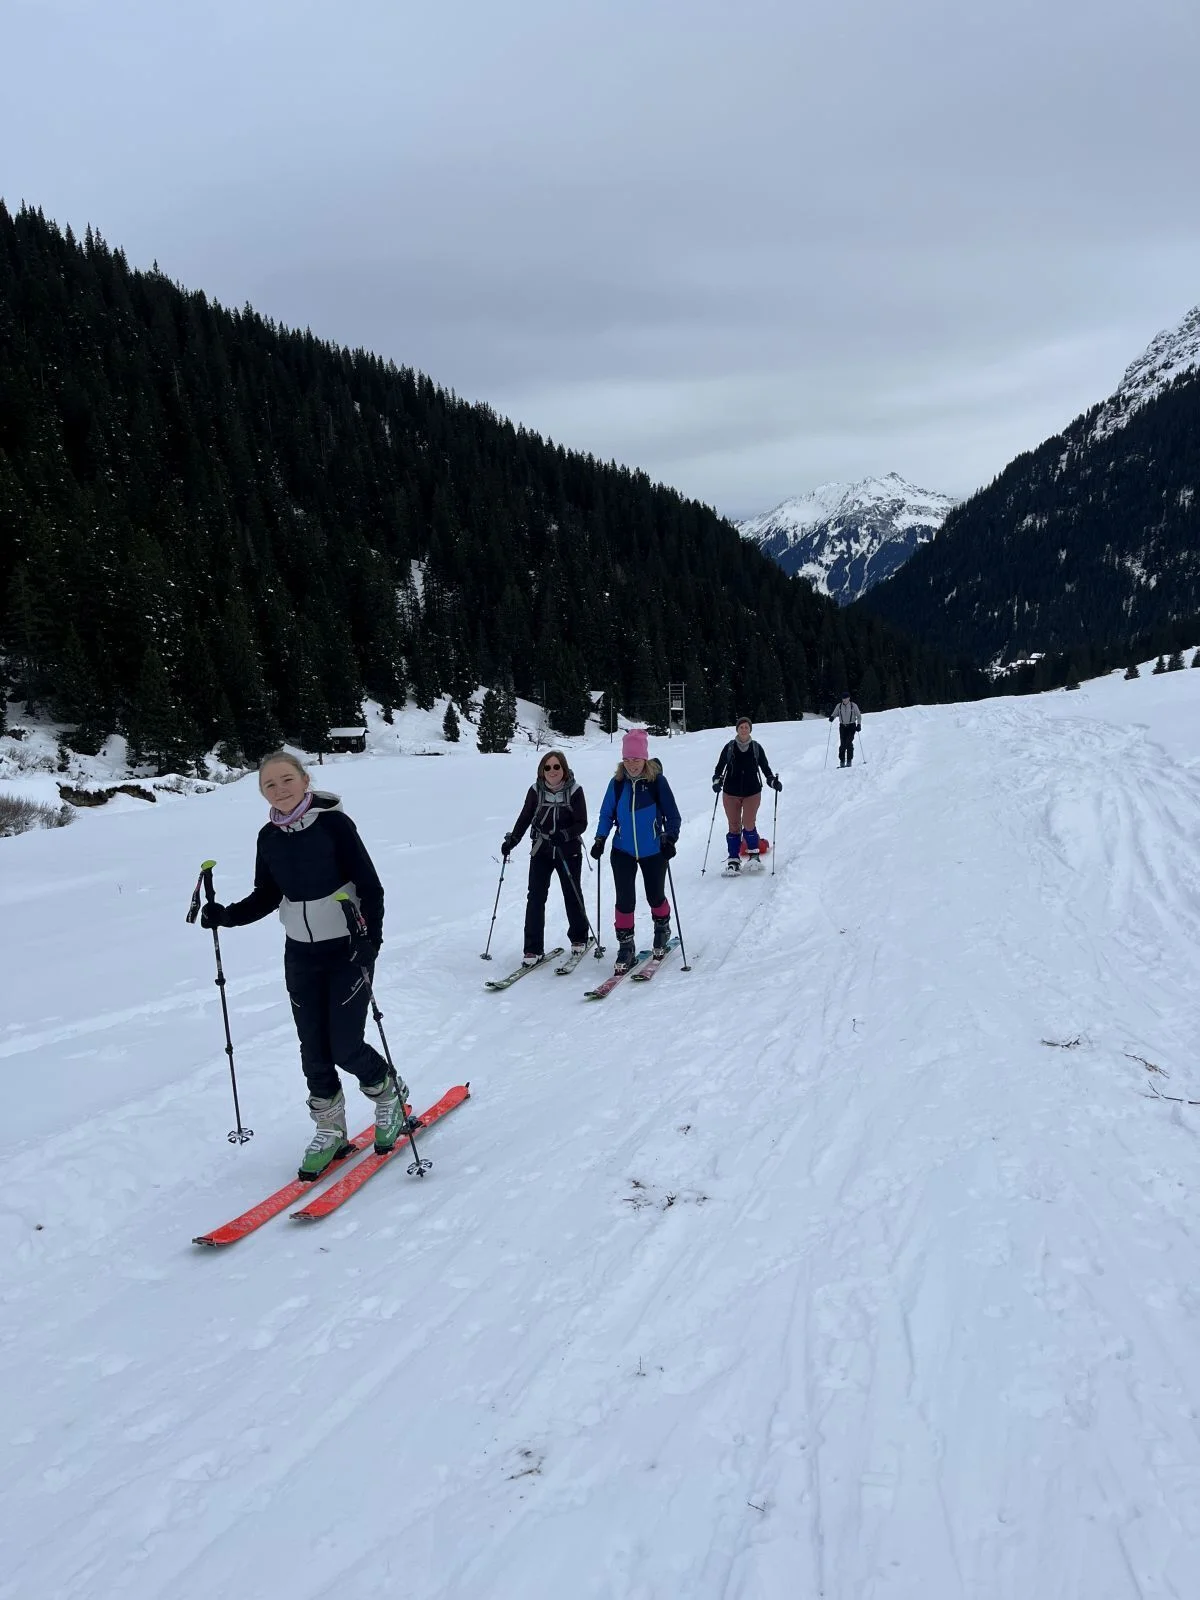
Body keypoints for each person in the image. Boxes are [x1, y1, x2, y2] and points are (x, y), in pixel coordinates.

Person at [199, 750, 407, 1180]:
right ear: (261, 791)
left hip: (347, 947)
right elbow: (268, 894)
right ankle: (329, 1128)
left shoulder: (335, 825)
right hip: (300, 952)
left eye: (286, 779)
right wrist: (226, 915)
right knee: (312, 1047)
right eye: (269, 784)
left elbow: (371, 886)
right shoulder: (268, 837)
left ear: (304, 778)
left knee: (345, 1045)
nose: (280, 789)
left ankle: (390, 1096)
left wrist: (372, 942)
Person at [591, 728, 682, 972]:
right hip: (623, 851)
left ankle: (662, 928)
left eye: (636, 759)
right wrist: (600, 838)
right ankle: (626, 946)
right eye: (627, 759)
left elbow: (673, 816)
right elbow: (606, 813)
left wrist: (670, 838)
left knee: (655, 895)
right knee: (624, 900)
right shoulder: (617, 784)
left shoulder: (657, 782)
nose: (632, 764)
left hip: (654, 850)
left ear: (645, 758)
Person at [501, 749, 590, 964]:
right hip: (541, 849)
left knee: (572, 893)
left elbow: (582, 822)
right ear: (542, 770)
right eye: (547, 767)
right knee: (536, 897)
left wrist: (565, 834)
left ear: (564, 769)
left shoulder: (575, 791)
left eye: (556, 767)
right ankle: (533, 948)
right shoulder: (535, 791)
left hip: (568, 851)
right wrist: (513, 839)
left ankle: (579, 937)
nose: (552, 771)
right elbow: (525, 817)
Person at [711, 716, 781, 868]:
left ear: (750, 730)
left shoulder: (756, 747)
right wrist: (716, 782)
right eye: (741, 727)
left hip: (752, 792)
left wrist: (772, 781)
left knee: (749, 823)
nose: (744, 730)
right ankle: (733, 860)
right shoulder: (729, 747)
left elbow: (765, 768)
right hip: (730, 793)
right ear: (737, 729)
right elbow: (718, 769)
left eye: (746, 727)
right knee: (734, 826)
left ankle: (754, 856)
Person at [829, 693, 862, 766]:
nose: (844, 700)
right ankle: (842, 761)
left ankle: (849, 760)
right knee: (842, 744)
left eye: (846, 698)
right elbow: (834, 713)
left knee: (849, 743)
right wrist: (832, 717)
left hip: (851, 726)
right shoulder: (839, 706)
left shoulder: (853, 705)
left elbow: (859, 716)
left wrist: (859, 724)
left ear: (849, 698)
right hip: (842, 726)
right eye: (843, 698)